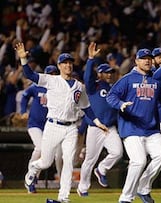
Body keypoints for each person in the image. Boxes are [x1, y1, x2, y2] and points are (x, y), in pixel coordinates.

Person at [15, 42, 108, 203]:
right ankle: (32, 170)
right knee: (45, 162)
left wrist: (98, 122)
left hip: (71, 127)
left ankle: (63, 197)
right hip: (52, 126)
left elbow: (87, 108)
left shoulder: (79, 86)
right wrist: (23, 59)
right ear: (58, 66)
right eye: (64, 62)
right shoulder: (51, 80)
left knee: (69, 162)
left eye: (70, 62)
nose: (68, 65)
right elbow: (30, 75)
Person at [106, 48, 161, 203]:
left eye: (149, 58)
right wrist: (120, 104)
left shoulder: (156, 80)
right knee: (139, 161)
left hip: (151, 129)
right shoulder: (127, 79)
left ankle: (143, 187)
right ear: (137, 61)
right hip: (131, 128)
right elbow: (111, 96)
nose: (147, 60)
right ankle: (126, 198)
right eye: (143, 58)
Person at [77, 42, 123, 196]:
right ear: (100, 74)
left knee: (117, 152)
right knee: (89, 159)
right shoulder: (93, 86)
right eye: (106, 72)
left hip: (109, 128)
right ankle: (83, 188)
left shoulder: (114, 88)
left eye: (110, 72)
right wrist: (90, 59)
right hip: (95, 128)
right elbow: (87, 76)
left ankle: (101, 169)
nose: (109, 74)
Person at [20, 65, 62, 193]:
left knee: (58, 154)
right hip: (35, 125)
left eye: (54, 73)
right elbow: (25, 95)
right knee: (40, 148)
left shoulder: (60, 88)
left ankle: (62, 181)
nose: (52, 76)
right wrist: (23, 111)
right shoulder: (37, 86)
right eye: (50, 74)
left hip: (51, 126)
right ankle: (31, 178)